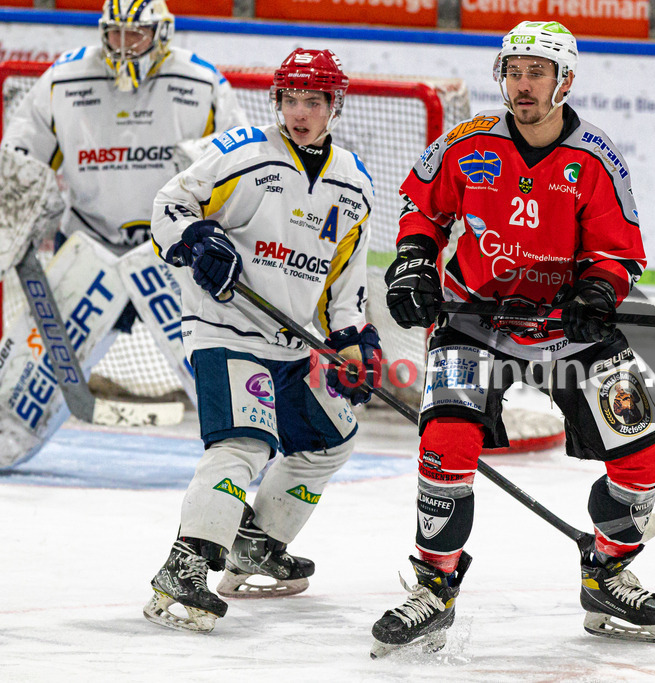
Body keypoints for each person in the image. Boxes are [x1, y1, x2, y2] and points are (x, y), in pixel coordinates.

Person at [371, 21, 655, 657]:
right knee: (445, 445)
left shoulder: (595, 158)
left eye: (538, 72)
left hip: (565, 328)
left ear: (565, 81)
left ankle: (607, 572)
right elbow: (422, 210)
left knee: (644, 462)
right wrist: (415, 263)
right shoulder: (468, 142)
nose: (523, 84)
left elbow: (617, 253)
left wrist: (598, 293)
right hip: (474, 321)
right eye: (514, 71)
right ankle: (434, 587)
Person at [144, 48, 379, 633]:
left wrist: (354, 342)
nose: (300, 113)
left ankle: (256, 545)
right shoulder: (244, 152)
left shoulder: (354, 184)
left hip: (292, 345)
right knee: (244, 443)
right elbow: (169, 205)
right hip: (225, 329)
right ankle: (184, 566)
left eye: (313, 101)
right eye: (290, 100)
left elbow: (343, 285)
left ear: (334, 106)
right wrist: (197, 240)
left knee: (332, 440)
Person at [0, 0, 247, 466]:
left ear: (162, 32)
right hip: (88, 245)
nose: (125, 45)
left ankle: (252, 445)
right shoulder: (64, 79)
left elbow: (241, 166)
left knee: (216, 361)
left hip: (173, 252)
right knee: (22, 389)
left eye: (137, 34)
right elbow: (17, 157)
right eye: (115, 34)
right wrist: (25, 206)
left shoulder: (202, 82)